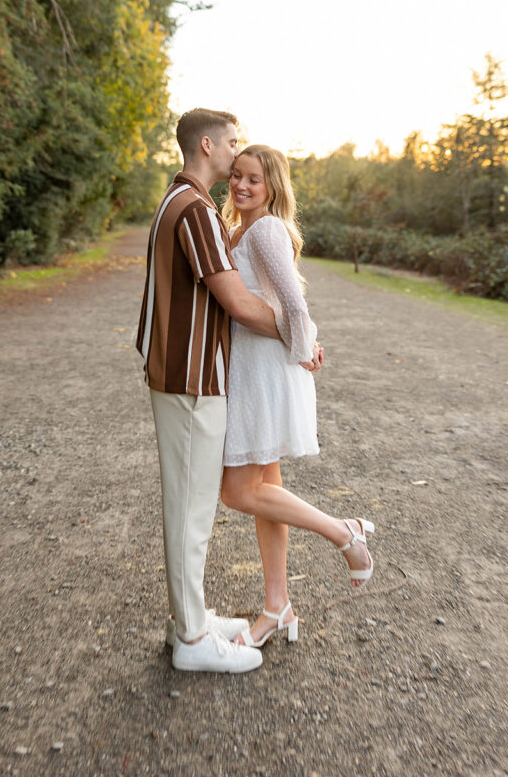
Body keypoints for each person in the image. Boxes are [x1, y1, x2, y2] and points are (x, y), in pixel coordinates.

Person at [136, 109, 318, 673]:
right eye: (232, 148)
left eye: (252, 171)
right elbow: (238, 303)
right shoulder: (194, 209)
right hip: (191, 376)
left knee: (194, 505)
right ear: (209, 145)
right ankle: (191, 638)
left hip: (188, 372)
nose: (237, 163)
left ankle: (192, 622)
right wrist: (301, 340)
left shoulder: (181, 201)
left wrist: (297, 333)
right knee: (192, 510)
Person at [220, 145, 375, 648]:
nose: (242, 186)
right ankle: (277, 607)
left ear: (273, 187)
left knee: (238, 491)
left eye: (254, 181)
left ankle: (344, 533)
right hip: (250, 367)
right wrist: (303, 339)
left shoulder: (264, 229)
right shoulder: (242, 228)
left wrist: (305, 344)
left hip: (262, 371)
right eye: (237, 177)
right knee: (267, 495)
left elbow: (292, 303)